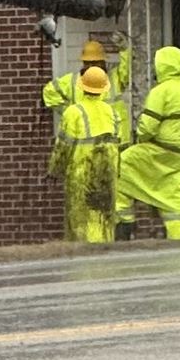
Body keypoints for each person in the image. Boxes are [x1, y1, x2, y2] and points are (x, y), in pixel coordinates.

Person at [116, 45, 180, 241]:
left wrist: (142, 140)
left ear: (161, 66)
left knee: (119, 167)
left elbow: (147, 127)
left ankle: (124, 224)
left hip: (157, 151)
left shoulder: (159, 92)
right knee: (175, 205)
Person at [52, 63, 125, 243]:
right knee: (104, 218)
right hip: (107, 174)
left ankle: (86, 264)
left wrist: (54, 170)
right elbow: (118, 145)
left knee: (81, 221)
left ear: (82, 86)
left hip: (81, 174)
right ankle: (104, 259)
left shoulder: (73, 112)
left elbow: (63, 147)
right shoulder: (112, 113)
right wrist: (117, 172)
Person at [44, 34, 130, 112]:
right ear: (84, 63)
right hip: (86, 128)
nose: (92, 66)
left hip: (109, 128)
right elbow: (49, 91)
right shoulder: (72, 81)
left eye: (96, 62)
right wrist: (68, 111)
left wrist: (124, 49)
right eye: (89, 62)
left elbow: (127, 69)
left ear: (103, 62)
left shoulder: (115, 78)